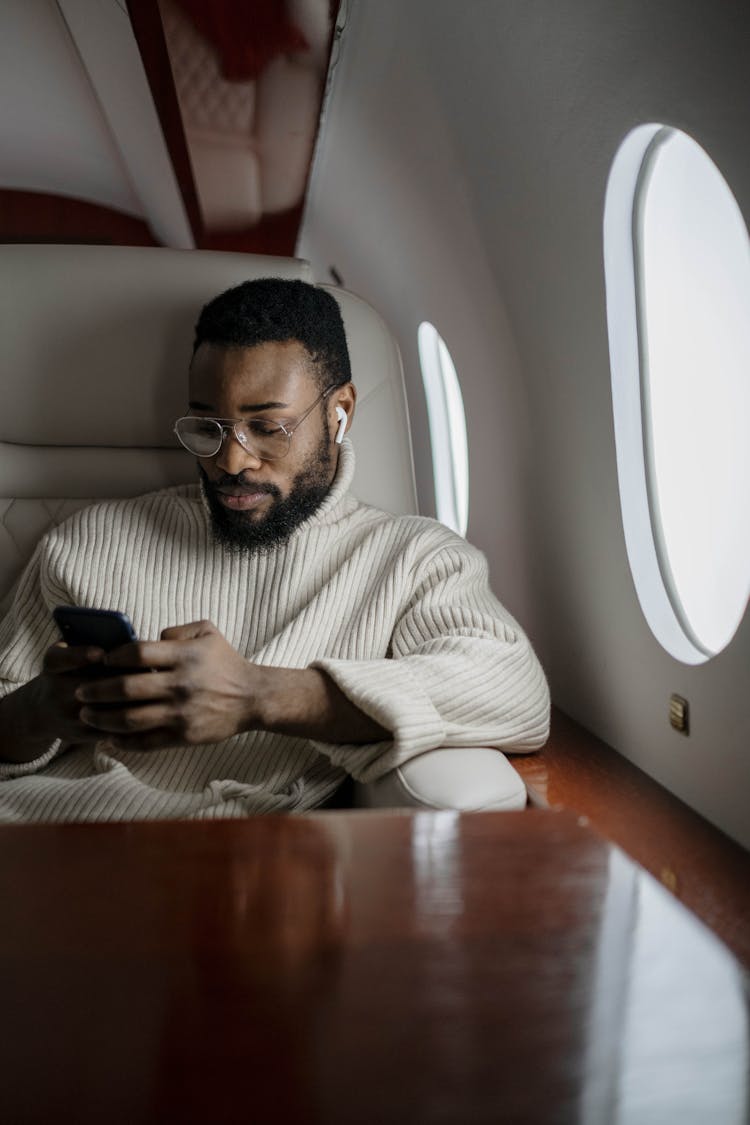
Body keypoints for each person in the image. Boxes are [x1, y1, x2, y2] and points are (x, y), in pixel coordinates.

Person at [0, 278, 549, 821]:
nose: (231, 461)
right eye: (208, 427)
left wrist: (258, 696)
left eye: (267, 427)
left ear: (341, 411)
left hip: (222, 868)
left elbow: (514, 691)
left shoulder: (411, 560)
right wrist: (39, 712)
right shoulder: (89, 541)